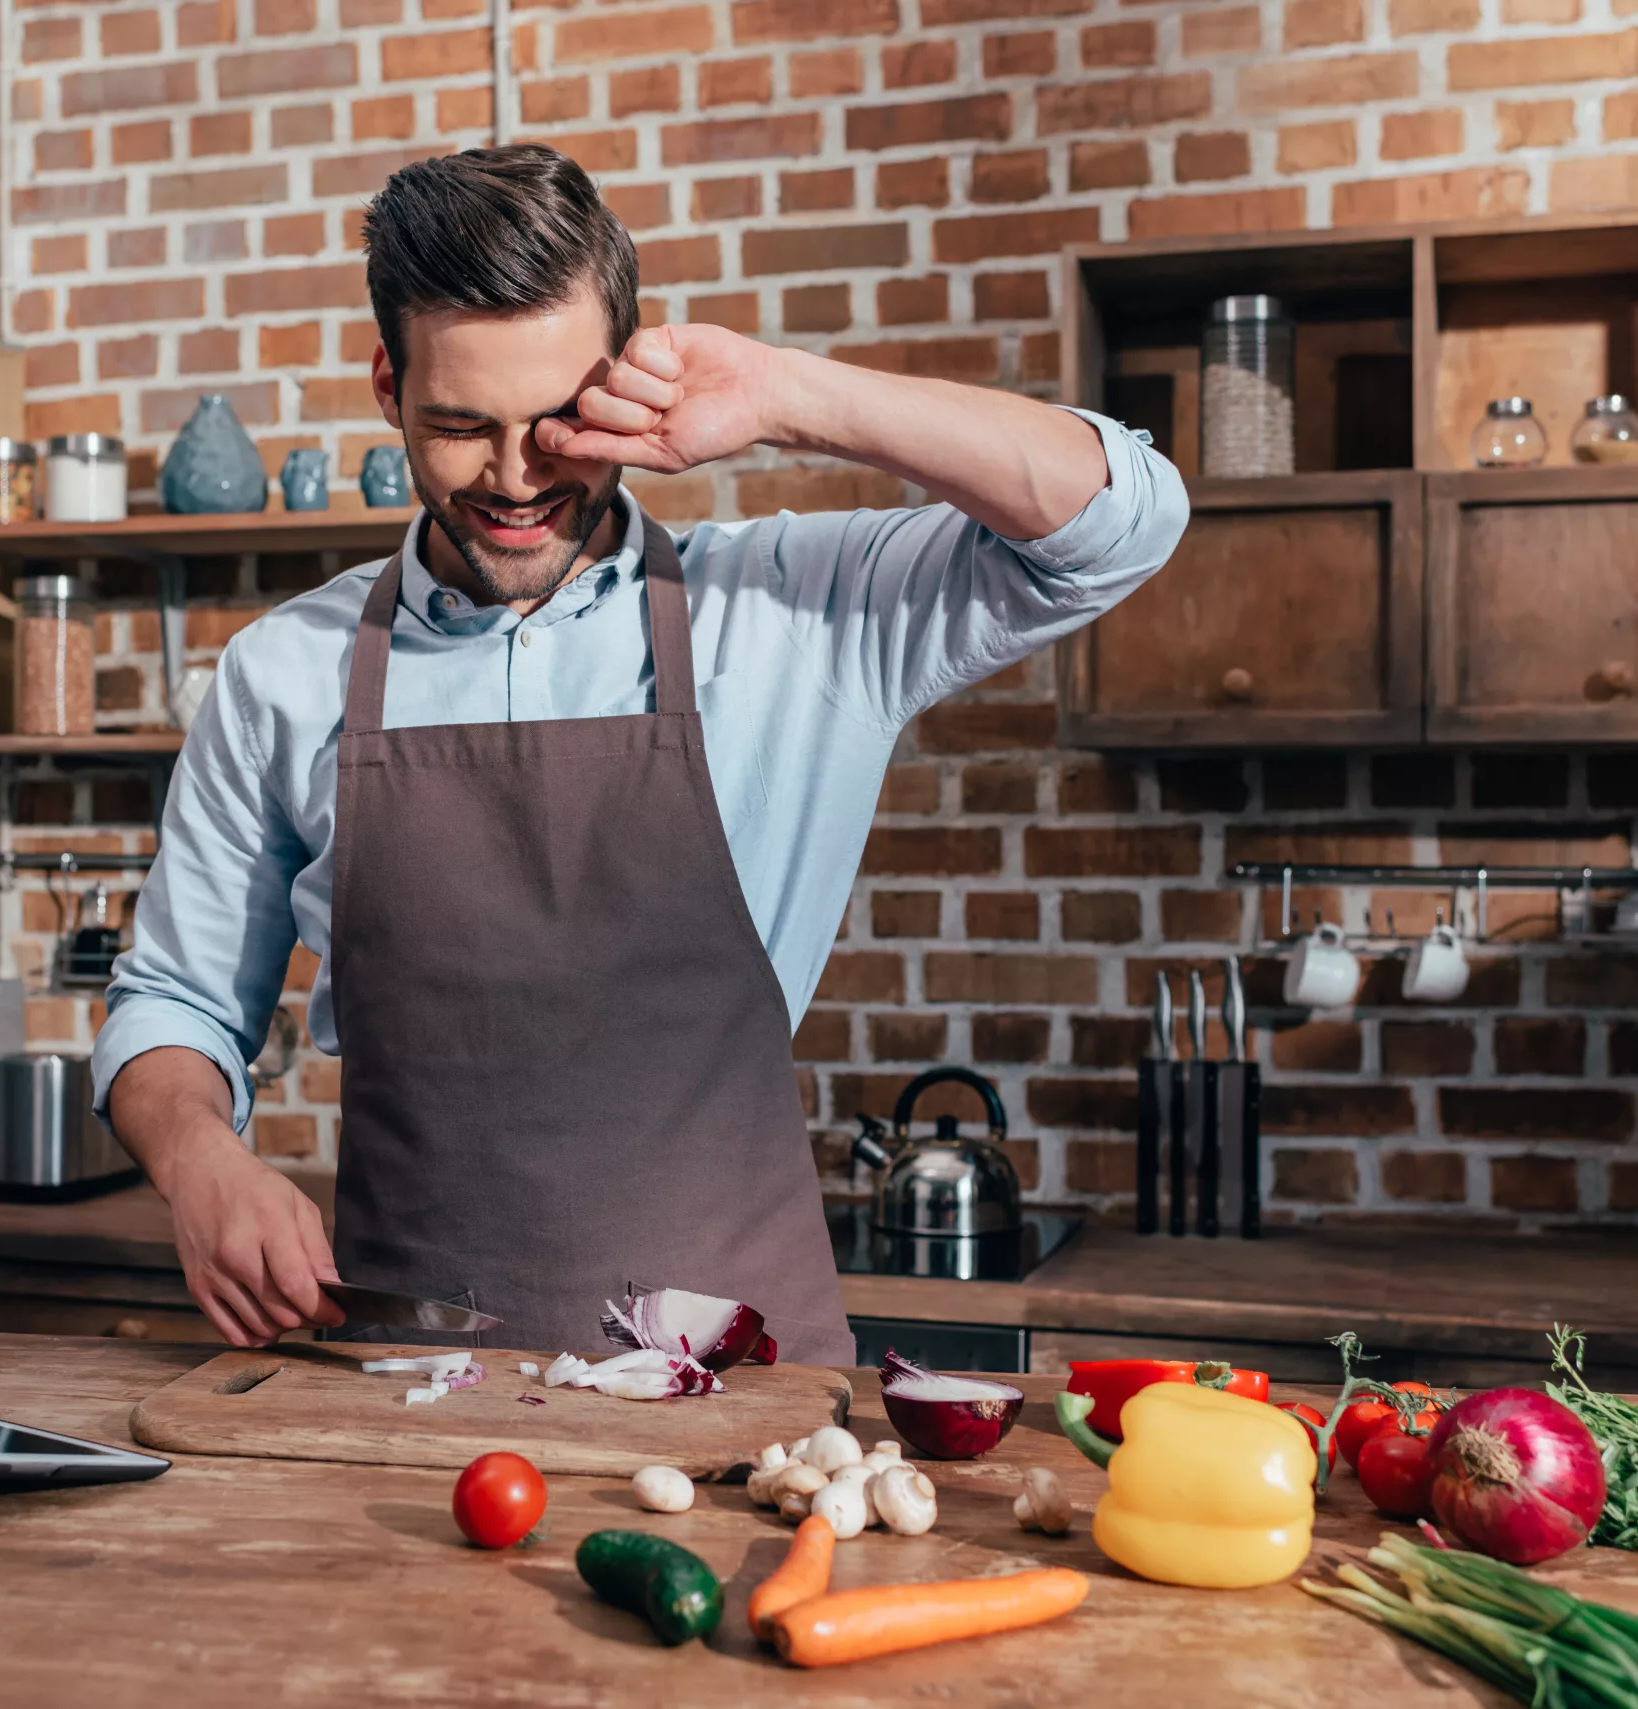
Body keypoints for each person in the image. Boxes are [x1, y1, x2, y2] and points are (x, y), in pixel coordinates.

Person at [97, 144, 1187, 1364]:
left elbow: (1120, 519)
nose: (517, 479)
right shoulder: (282, 673)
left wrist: (782, 393)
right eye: (460, 425)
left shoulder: (792, 614)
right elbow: (175, 1002)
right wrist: (200, 1160)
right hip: (405, 1399)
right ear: (386, 387)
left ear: (621, 381)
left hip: (740, 1406)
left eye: (561, 419)